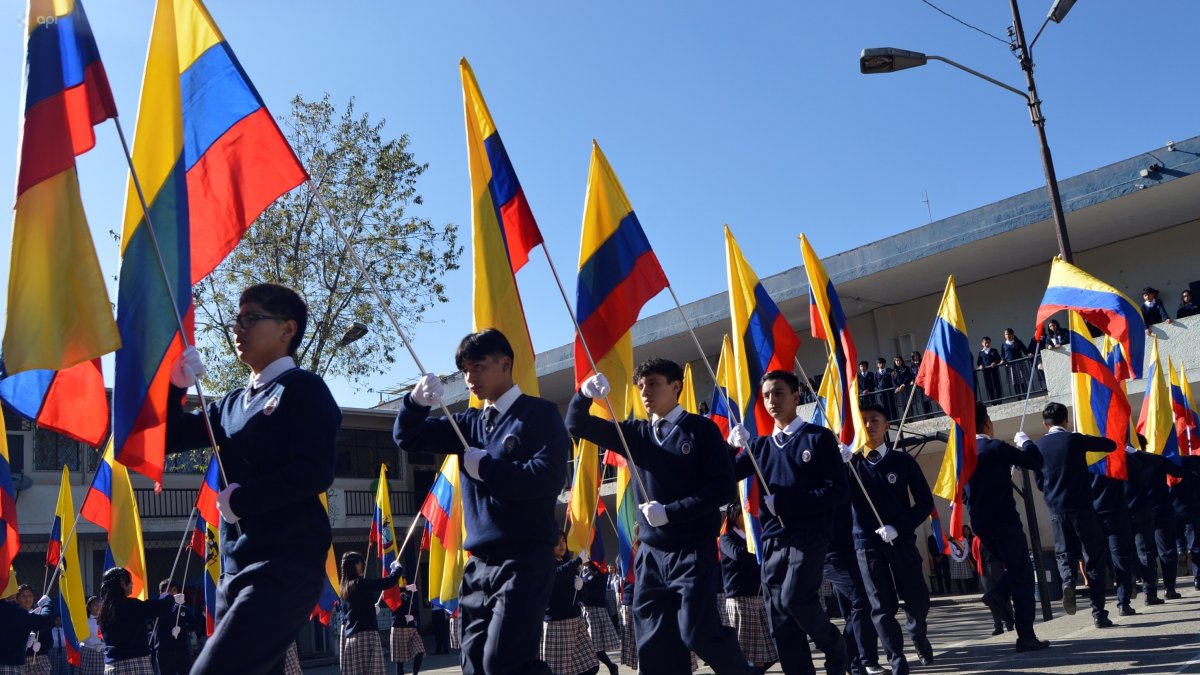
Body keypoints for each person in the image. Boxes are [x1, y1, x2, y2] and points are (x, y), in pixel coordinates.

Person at [165, 283, 341, 675]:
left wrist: (243, 500)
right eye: (237, 320)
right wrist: (174, 387)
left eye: (251, 318)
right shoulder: (229, 403)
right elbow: (169, 438)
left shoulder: (304, 390)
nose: (238, 329)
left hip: (284, 564)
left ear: (287, 329)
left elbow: (314, 471)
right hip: (236, 564)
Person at [394, 328, 569, 675]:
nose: (469, 378)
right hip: (478, 563)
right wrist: (415, 403)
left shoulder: (539, 415)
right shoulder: (468, 423)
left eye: (478, 366)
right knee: (473, 662)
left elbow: (547, 478)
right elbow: (408, 437)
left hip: (524, 558)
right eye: (464, 370)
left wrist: (488, 468)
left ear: (505, 363)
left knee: (502, 662)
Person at [567, 358, 749, 674]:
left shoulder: (700, 430)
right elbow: (577, 425)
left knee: (698, 631)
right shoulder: (634, 434)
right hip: (650, 555)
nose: (645, 392)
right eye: (641, 386)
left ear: (675, 386)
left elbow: (722, 489)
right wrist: (584, 394)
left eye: (654, 384)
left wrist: (671, 512)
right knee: (653, 643)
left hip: (691, 549)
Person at [727, 369, 849, 675]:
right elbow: (723, 478)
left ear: (796, 396)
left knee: (795, 598)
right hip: (773, 540)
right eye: (766, 395)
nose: (771, 400)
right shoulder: (760, 447)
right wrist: (731, 448)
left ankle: (835, 644)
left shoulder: (817, 438)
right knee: (779, 617)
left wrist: (785, 502)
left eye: (778, 393)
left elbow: (837, 490)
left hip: (810, 534)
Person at [848, 402, 934, 673]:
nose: (869, 425)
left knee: (916, 599)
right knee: (881, 607)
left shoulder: (902, 461)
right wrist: (836, 465)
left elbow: (924, 503)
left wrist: (899, 527)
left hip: (901, 541)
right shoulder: (850, 464)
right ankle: (897, 660)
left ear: (887, 426)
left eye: (874, 420)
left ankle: (918, 634)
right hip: (866, 544)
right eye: (864, 421)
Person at [1017, 402, 1117, 627]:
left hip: (1056, 510)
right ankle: (1099, 613)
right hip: (1082, 508)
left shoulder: (1039, 446)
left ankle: (1067, 583)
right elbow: (1110, 445)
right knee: (1093, 557)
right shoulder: (1075, 439)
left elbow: (1040, 483)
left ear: (1045, 424)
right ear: (1066, 420)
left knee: (1064, 554)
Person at [966, 402, 1048, 651]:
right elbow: (1035, 461)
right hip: (1005, 520)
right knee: (1021, 573)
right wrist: (1025, 442)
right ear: (987, 423)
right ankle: (1025, 635)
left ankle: (998, 592)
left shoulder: (962, 452)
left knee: (1010, 570)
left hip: (980, 523)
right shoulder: (996, 446)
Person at [718, 502, 778, 675]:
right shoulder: (727, 537)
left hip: (758, 595)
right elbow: (737, 554)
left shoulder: (756, 536)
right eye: (743, 514)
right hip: (739, 597)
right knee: (745, 650)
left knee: (766, 650)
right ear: (734, 517)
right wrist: (758, 549)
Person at [97, 567, 184, 674]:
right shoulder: (130, 605)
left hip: (112, 666)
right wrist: (169, 597)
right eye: (130, 581)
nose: (132, 584)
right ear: (122, 583)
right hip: (135, 663)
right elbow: (159, 607)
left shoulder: (104, 610)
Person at [541, 532, 597, 675]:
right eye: (557, 542)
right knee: (558, 671)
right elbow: (556, 575)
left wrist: (581, 588)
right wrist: (577, 561)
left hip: (575, 620)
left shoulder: (568, 566)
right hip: (557, 622)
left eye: (564, 541)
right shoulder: (545, 564)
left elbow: (583, 597)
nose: (562, 545)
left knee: (590, 665)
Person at [339, 551, 403, 675]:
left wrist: (372, 610)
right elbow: (385, 583)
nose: (363, 564)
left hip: (351, 639)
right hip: (366, 637)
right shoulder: (359, 583)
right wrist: (397, 570)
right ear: (355, 565)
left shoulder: (344, 588)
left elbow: (353, 612)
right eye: (360, 562)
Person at [1091, 456, 1139, 616]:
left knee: (1096, 563)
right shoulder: (1115, 456)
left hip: (1093, 515)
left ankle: (1098, 612)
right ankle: (1123, 603)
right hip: (1116, 513)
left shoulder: (1086, 459)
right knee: (1121, 559)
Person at [579, 560, 621, 675]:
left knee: (594, 646)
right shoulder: (584, 572)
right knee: (591, 646)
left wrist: (582, 585)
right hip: (586, 611)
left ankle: (609, 667)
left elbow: (590, 588)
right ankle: (611, 667)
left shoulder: (600, 571)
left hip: (595, 611)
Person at [2, 585, 52, 675]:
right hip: (18, 663)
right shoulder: (15, 613)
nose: (27, 599)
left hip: (39, 661)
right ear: (16, 599)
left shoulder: (38, 613)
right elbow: (45, 621)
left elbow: (49, 641)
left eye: (30, 596)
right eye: (23, 596)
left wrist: (39, 646)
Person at [972, 536, 1013, 636]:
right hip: (985, 569)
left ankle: (1010, 623)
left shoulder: (994, 535)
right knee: (991, 599)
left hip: (998, 566)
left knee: (1004, 597)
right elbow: (975, 555)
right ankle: (998, 626)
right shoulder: (976, 539)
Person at [153, 580, 196, 675]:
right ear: (162, 593)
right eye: (169, 591)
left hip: (182, 650)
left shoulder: (182, 609)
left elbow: (197, 624)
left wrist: (183, 629)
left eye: (174, 590)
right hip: (164, 652)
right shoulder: (157, 609)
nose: (172, 593)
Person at [389, 580, 426, 675]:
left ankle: (415, 673)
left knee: (420, 651)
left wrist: (413, 617)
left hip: (411, 628)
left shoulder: (411, 596)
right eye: (402, 583)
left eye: (405, 582)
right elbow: (392, 594)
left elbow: (416, 610)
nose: (404, 584)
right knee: (400, 660)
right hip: (398, 628)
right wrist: (405, 588)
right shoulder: (393, 596)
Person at [78, 596, 104, 675]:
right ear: (89, 607)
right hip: (88, 652)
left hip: (102, 651)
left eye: (100, 604)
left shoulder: (105, 620)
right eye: (95, 605)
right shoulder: (85, 621)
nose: (98, 607)